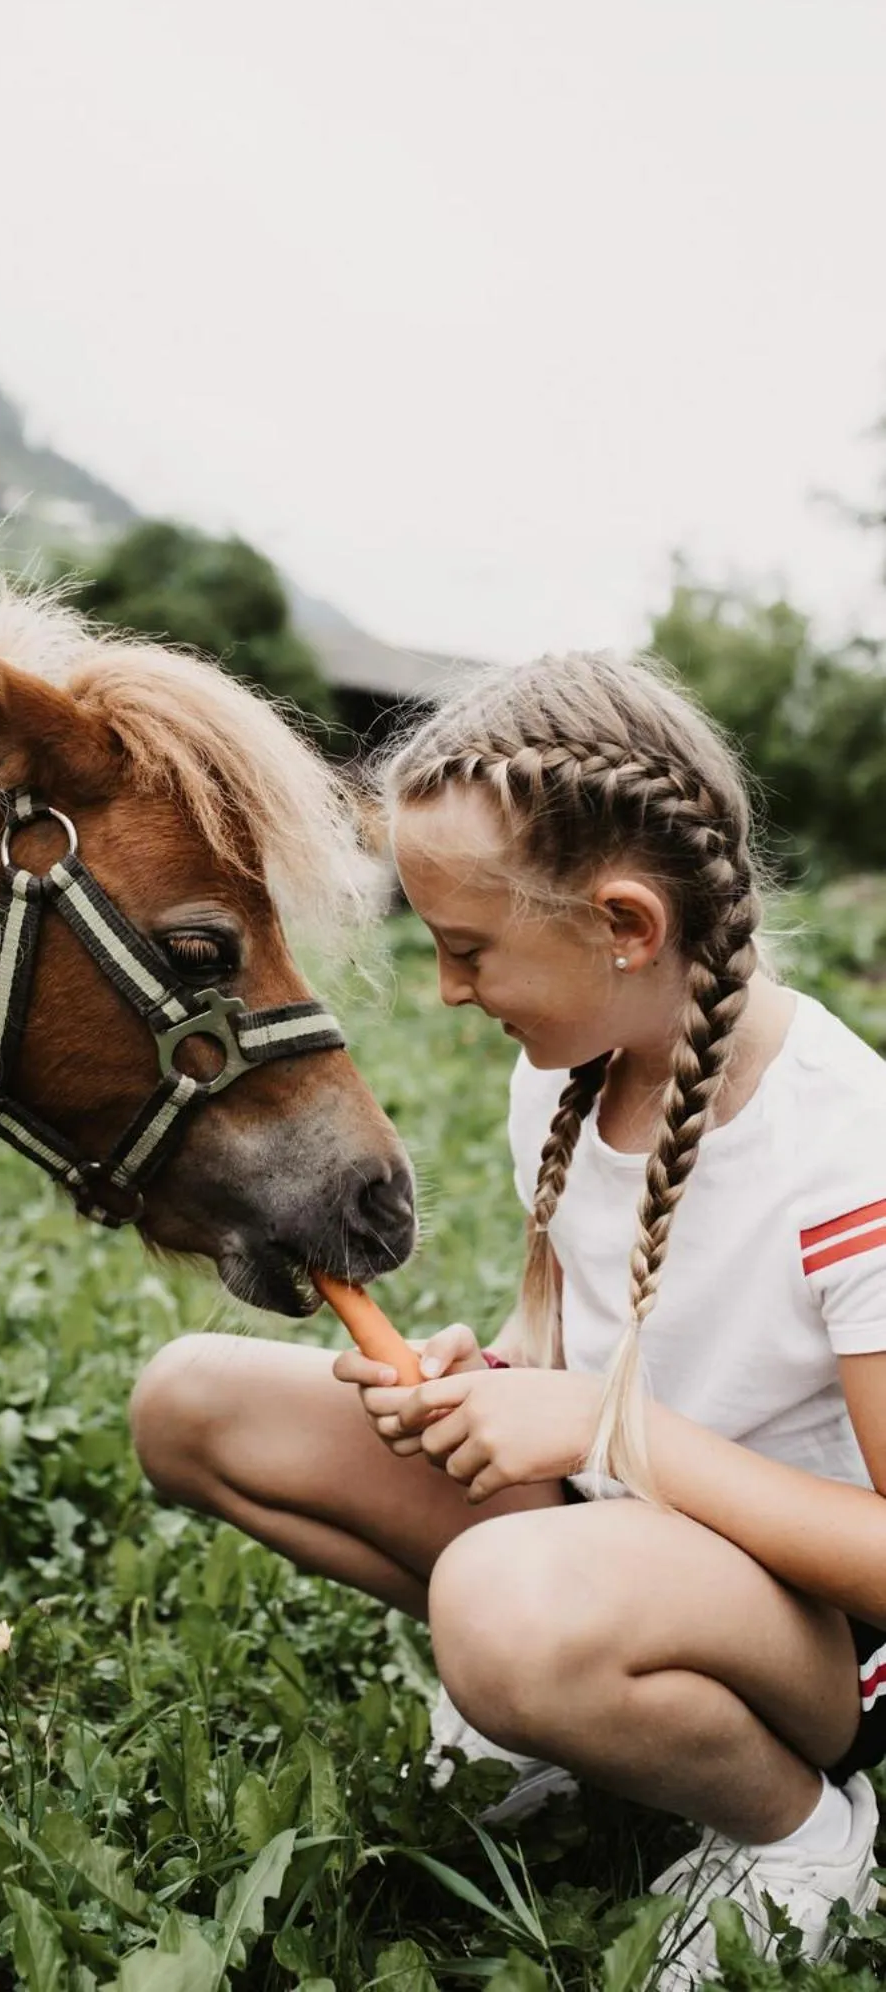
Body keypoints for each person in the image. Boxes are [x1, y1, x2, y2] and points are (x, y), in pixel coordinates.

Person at [130, 651, 886, 1987]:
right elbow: (564, 1338)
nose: (447, 990)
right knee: (191, 1405)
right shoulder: (570, 1082)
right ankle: (559, 1695)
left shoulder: (846, 1148)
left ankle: (796, 1830)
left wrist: (603, 1427)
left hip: (817, 1636)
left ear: (626, 926)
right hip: (617, 1527)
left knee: (494, 1606)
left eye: (467, 948)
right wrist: (486, 1377)